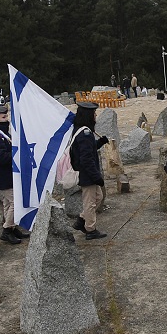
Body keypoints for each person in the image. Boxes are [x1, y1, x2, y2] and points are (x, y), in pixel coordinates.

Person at [0, 105, 30, 244]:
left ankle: (12, 228)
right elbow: (1, 157)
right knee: (15, 203)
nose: (6, 119)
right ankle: (6, 230)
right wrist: (16, 152)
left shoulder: (4, 134)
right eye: (4, 117)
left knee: (7, 203)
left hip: (10, 175)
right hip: (3, 176)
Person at [70, 102, 110, 240]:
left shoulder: (82, 130)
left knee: (98, 198)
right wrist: (96, 176)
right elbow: (86, 159)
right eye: (93, 113)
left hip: (87, 174)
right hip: (87, 175)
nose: (95, 116)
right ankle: (90, 229)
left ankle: (81, 220)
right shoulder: (85, 133)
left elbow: (89, 150)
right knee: (90, 202)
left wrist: (100, 142)